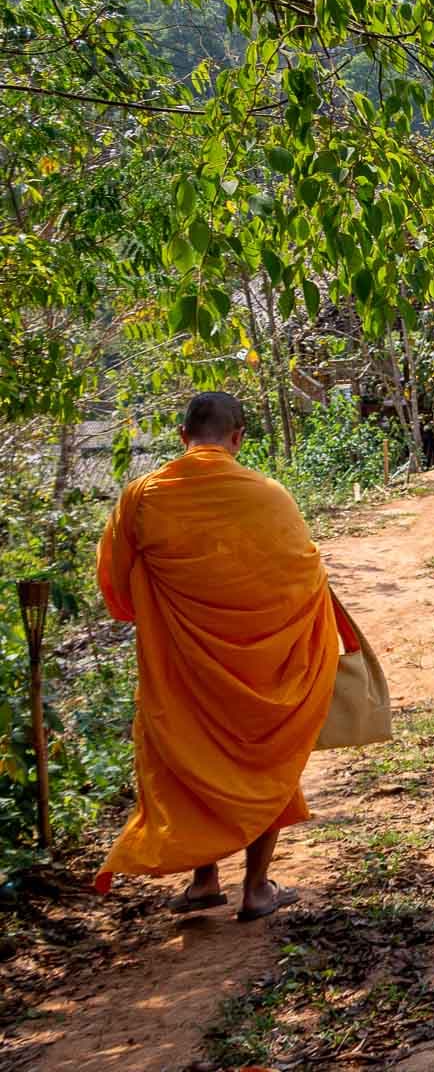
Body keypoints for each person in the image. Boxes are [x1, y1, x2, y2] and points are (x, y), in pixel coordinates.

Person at [94, 391, 339, 921]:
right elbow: (305, 576)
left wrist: (170, 610)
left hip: (179, 668)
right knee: (261, 762)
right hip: (262, 668)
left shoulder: (143, 496)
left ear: (183, 438)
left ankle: (204, 880)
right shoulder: (270, 496)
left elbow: (116, 587)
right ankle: (255, 888)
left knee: (187, 759)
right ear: (238, 439)